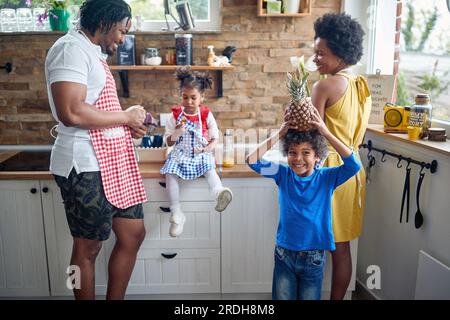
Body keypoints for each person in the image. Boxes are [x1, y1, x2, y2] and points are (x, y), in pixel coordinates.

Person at [45, 0, 150, 300]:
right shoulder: (70, 50)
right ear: (103, 23)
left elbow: (94, 107)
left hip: (112, 163)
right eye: (120, 31)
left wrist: (126, 124)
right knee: (87, 248)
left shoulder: (91, 52)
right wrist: (125, 116)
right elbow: (72, 111)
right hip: (84, 165)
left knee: (133, 234)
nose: (122, 39)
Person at [246, 108, 361, 300]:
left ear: (318, 156)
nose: (298, 158)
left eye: (306, 152)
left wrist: (325, 132)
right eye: (292, 152)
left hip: (314, 257)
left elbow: (353, 165)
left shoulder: (327, 178)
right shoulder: (282, 174)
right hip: (284, 254)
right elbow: (251, 160)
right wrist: (279, 134)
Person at [311, 12, 372, 299]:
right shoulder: (362, 86)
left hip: (328, 172)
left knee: (311, 243)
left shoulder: (323, 86)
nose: (315, 59)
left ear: (339, 52)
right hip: (353, 169)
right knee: (342, 247)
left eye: (321, 53)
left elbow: (312, 134)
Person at [160, 67, 233, 237]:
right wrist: (177, 131)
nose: (189, 101)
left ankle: (219, 193)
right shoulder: (175, 115)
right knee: (169, 172)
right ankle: (177, 213)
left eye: (193, 98)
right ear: (181, 96)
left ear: (202, 98)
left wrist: (207, 148)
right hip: (180, 153)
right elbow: (168, 141)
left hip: (200, 153)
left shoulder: (206, 115)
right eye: (185, 97)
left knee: (209, 167)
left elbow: (215, 138)